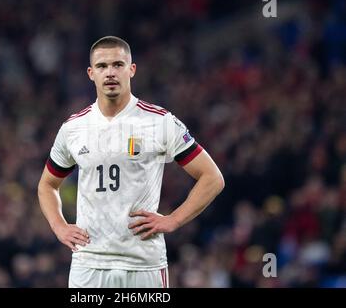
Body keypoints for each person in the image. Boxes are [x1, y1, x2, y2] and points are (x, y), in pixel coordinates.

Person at [37, 36, 224, 288]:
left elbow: (212, 178)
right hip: (89, 264)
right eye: (102, 66)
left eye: (118, 64)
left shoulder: (160, 122)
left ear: (131, 69)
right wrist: (58, 226)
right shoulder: (73, 128)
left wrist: (173, 219)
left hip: (143, 264)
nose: (110, 72)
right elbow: (47, 185)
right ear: (91, 74)